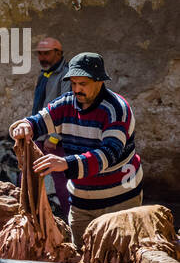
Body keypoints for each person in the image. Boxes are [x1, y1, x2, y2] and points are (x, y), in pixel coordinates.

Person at [9, 52, 142, 247]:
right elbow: (37, 121)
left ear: (99, 81)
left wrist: (65, 163)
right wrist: (22, 127)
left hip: (120, 200)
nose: (77, 89)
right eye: (73, 83)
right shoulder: (66, 103)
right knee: (82, 254)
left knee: (118, 256)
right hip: (81, 201)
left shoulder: (116, 109)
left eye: (83, 84)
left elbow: (109, 154)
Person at [31, 36, 71, 213]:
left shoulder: (66, 76)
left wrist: (54, 137)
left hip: (54, 138)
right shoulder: (44, 75)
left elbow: (67, 109)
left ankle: (69, 220)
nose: (42, 57)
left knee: (62, 182)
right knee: (29, 176)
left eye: (46, 53)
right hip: (39, 135)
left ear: (59, 53)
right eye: (40, 54)